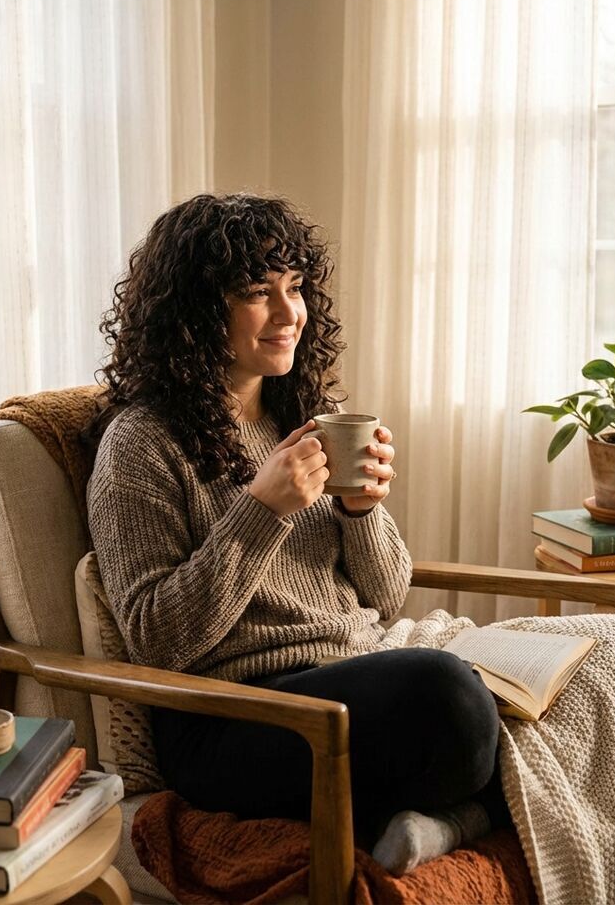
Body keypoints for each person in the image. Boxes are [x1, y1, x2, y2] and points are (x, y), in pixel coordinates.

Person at [86, 192, 509, 872]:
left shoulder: (309, 416)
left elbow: (387, 596)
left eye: (296, 287)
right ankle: (462, 814)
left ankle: (446, 822)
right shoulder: (140, 445)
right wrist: (262, 510)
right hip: (231, 715)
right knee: (450, 695)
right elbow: (155, 640)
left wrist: (362, 512)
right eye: (259, 292)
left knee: (607, 660)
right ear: (196, 310)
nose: (290, 314)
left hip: (345, 675)